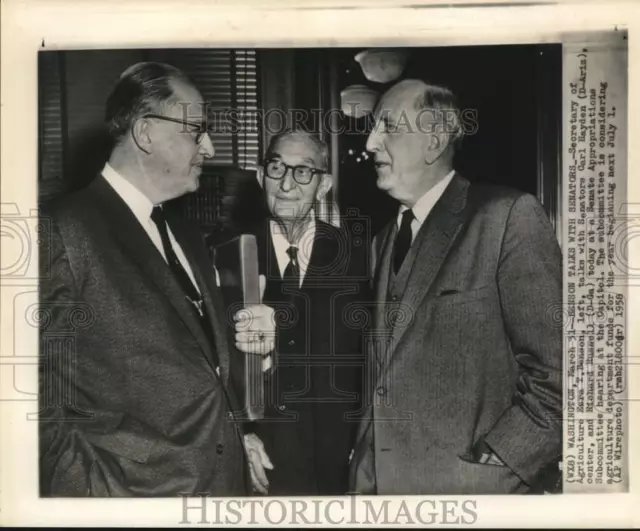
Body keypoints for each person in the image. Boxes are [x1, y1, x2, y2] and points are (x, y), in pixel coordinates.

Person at [38, 62, 275, 497]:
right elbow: (32, 405)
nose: (208, 146)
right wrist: (95, 497)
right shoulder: (60, 230)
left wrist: (239, 426)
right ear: (146, 132)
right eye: (196, 130)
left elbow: (199, 368)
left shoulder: (187, 234)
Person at [349, 79, 563, 495]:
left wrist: (501, 459)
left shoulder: (507, 218)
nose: (371, 143)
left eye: (387, 127)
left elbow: (560, 375)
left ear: (434, 140)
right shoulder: (382, 240)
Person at [241, 129, 369, 496]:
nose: (286, 184)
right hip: (263, 463)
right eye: (277, 168)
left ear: (323, 184)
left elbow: (374, 359)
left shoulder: (360, 256)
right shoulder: (227, 255)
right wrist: (239, 437)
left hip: (341, 464)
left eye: (303, 172)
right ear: (260, 176)